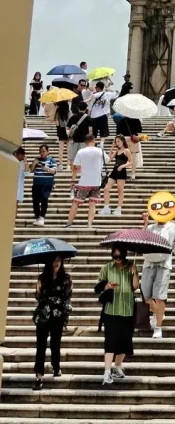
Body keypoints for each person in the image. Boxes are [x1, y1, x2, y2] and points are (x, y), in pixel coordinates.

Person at [96, 243, 140, 385]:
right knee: (110, 341)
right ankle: (107, 371)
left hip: (127, 309)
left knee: (125, 340)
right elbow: (97, 287)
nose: (118, 258)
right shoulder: (107, 268)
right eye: (115, 255)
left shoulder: (131, 267)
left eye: (120, 255)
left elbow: (135, 287)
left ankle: (118, 366)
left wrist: (134, 274)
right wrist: (107, 286)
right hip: (111, 309)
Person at [141, 208, 175, 339]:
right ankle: (158, 313)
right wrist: (145, 223)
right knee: (145, 297)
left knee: (160, 297)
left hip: (164, 264)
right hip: (148, 263)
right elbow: (142, 241)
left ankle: (158, 327)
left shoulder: (173, 227)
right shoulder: (150, 227)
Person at [32, 254, 72, 389]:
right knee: (41, 345)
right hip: (43, 315)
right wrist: (38, 289)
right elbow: (38, 297)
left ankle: (56, 366)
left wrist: (66, 313)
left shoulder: (66, 279)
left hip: (58, 315)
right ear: (49, 263)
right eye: (54, 261)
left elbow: (67, 296)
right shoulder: (42, 278)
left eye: (59, 260)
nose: (56, 263)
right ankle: (38, 376)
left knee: (55, 343)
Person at [65, 134, 104, 229]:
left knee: (76, 202)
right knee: (92, 204)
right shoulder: (100, 151)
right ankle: (89, 224)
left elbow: (76, 168)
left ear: (85, 142)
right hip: (96, 182)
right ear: (93, 140)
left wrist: (73, 180)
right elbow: (107, 160)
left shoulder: (81, 152)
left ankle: (69, 223)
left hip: (84, 182)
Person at [99, 135, 133, 216]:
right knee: (106, 188)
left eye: (118, 141)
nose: (117, 143)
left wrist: (123, 166)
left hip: (121, 171)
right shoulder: (116, 151)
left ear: (122, 141)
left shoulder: (126, 150)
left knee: (120, 190)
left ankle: (119, 208)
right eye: (116, 142)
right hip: (114, 171)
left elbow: (131, 162)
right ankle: (106, 207)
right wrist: (112, 147)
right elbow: (109, 159)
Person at [31, 144, 57, 225]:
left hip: (47, 183)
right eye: (40, 152)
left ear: (47, 151)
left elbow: (54, 171)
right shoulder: (37, 160)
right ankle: (37, 217)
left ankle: (42, 217)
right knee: (35, 201)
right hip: (36, 183)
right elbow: (31, 170)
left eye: (43, 151)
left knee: (44, 198)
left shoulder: (51, 160)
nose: (42, 153)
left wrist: (46, 168)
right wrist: (34, 164)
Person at [86, 80, 111, 146]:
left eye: (96, 87)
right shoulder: (107, 95)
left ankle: (93, 144)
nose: (95, 88)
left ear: (98, 87)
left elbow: (90, 107)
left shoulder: (94, 95)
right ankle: (101, 144)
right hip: (103, 115)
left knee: (94, 132)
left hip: (94, 116)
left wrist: (88, 115)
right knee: (103, 132)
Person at [54, 100, 70, 167]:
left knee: (61, 148)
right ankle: (68, 165)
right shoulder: (68, 112)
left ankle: (60, 164)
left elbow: (57, 123)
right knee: (68, 149)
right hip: (68, 130)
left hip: (61, 130)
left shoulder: (58, 112)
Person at [15, 146, 28, 210]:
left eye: (18, 154)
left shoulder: (23, 163)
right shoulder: (13, 161)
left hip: (18, 187)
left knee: (15, 205)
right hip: (11, 185)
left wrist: (26, 162)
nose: (16, 155)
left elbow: (26, 173)